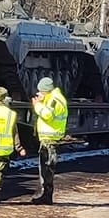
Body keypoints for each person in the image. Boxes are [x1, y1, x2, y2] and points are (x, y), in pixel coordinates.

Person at [31, 76, 70, 204]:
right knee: (46, 169)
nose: (39, 93)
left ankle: (46, 196)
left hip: (50, 140)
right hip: (49, 139)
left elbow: (47, 115)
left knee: (46, 169)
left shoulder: (54, 100)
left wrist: (37, 106)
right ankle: (46, 195)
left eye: (41, 91)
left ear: (45, 90)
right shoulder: (53, 98)